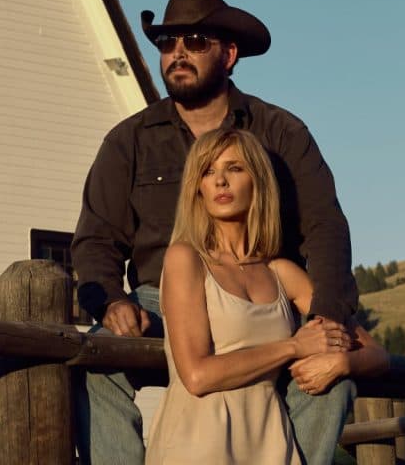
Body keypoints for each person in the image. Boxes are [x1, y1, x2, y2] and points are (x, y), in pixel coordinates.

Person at [72, 0, 360, 465]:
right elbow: (96, 238)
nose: (177, 53)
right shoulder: (129, 141)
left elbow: (325, 226)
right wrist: (112, 300)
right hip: (160, 298)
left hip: (261, 293)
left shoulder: (281, 133)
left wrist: (326, 316)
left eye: (195, 42)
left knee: (332, 375)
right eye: (167, 43)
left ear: (228, 55)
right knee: (96, 364)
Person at [145, 128, 389, 464]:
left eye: (234, 168)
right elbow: (197, 376)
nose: (220, 181)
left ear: (257, 180)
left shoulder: (282, 273)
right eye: (208, 171)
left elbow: (377, 354)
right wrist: (293, 347)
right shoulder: (186, 259)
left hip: (272, 445)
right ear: (197, 189)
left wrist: (342, 362)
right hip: (197, 443)